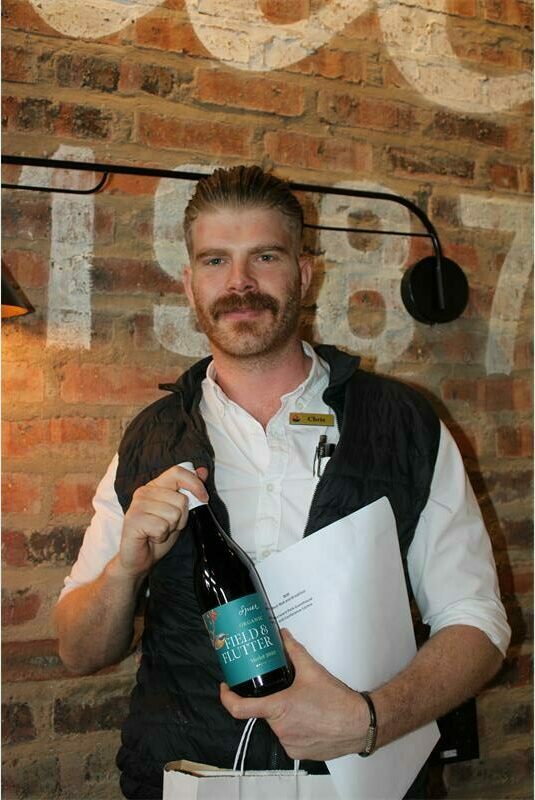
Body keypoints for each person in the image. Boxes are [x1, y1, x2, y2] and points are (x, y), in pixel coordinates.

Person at [54, 165, 510, 799]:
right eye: (216, 261)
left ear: (304, 272)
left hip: (362, 785)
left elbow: (478, 623)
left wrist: (368, 721)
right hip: (188, 780)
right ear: (189, 285)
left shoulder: (405, 423)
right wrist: (125, 572)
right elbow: (79, 650)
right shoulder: (147, 439)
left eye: (264, 256)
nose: (239, 283)